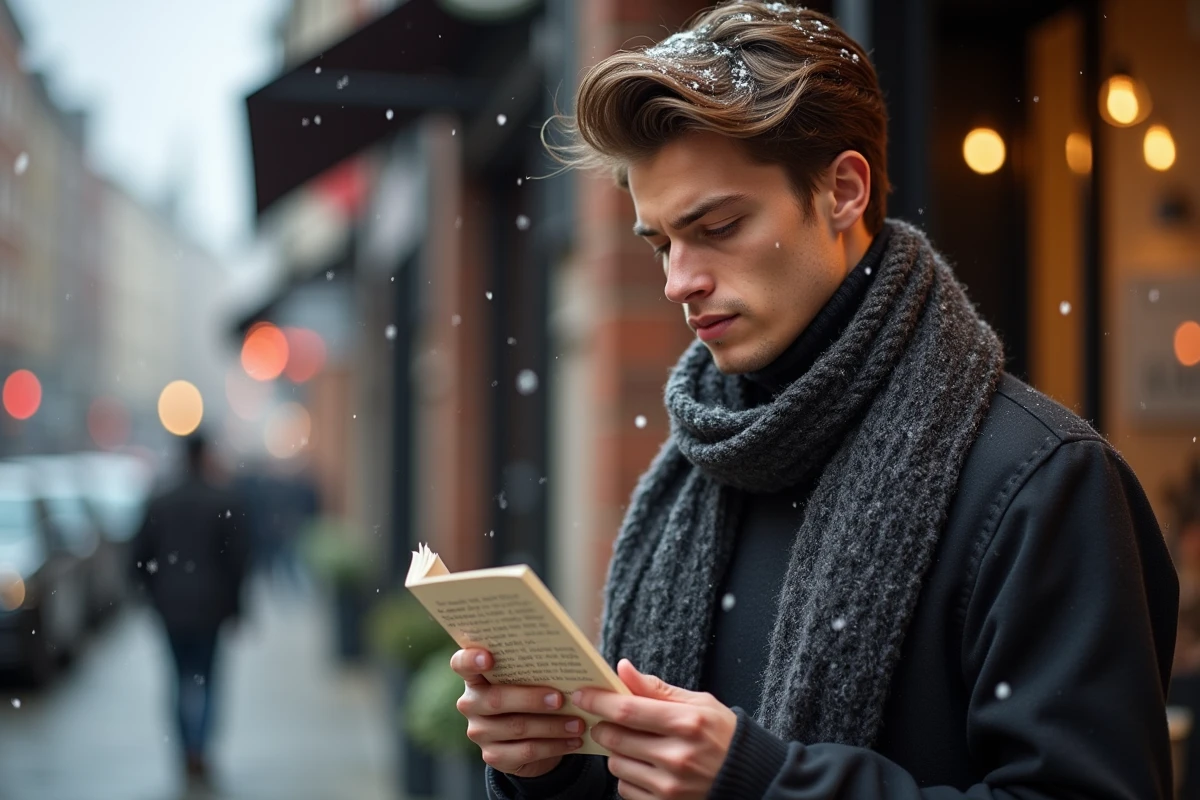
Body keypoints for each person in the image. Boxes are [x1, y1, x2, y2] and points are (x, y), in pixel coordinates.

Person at [450, 3, 1180, 799]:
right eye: (661, 242)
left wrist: (765, 785)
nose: (677, 280)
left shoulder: (1043, 483)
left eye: (718, 225)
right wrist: (547, 770)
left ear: (842, 190)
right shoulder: (700, 467)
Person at [131, 432, 250, 786]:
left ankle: (187, 749)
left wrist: (152, 595)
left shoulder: (160, 501)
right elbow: (239, 561)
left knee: (179, 678)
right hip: (211, 608)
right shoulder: (222, 500)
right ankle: (200, 748)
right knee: (208, 679)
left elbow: (138, 557)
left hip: (172, 607)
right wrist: (236, 605)